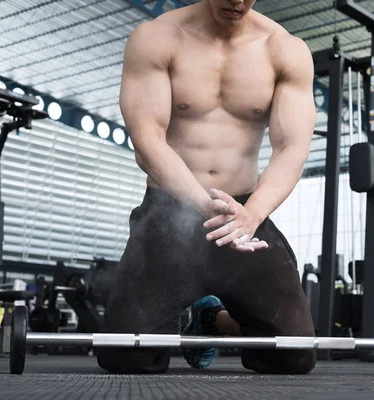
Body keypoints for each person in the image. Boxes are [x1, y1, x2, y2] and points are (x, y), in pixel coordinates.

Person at [96, 0, 317, 375]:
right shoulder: (157, 38)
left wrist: (252, 214)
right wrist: (201, 202)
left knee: (293, 357)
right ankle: (170, 315)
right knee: (124, 357)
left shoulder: (285, 50)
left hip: (244, 215)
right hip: (171, 212)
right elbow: (146, 139)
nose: (237, 1)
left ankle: (213, 320)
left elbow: (291, 149)